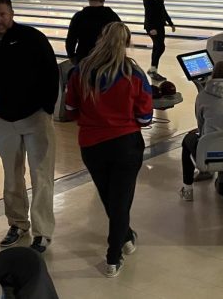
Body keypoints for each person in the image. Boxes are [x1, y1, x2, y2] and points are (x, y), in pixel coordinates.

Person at [65, 23, 153, 277]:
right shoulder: (134, 74)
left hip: (92, 145)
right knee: (121, 201)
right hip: (126, 144)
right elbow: (146, 117)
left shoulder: (80, 71)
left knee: (110, 197)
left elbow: (70, 111)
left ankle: (125, 236)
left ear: (101, 38)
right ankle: (113, 258)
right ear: (127, 43)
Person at [0, 0, 58, 253]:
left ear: (11, 13)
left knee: (41, 174)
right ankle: (18, 223)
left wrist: (47, 108)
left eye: (2, 14)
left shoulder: (32, 37)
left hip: (36, 116)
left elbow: (51, 72)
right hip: (2, 120)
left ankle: (42, 231)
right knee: (12, 175)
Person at [178, 61, 223, 202]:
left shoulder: (202, 96)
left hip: (209, 153)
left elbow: (201, 126)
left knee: (187, 139)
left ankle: (188, 189)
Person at [66, 0, 122, 65]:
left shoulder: (79, 16)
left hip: (84, 60)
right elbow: (123, 37)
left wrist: (72, 56)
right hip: (106, 61)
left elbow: (70, 41)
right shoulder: (112, 16)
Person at [142, 0, 175, 81]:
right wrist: (151, 28)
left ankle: (153, 70)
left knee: (157, 47)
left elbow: (163, 10)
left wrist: (170, 22)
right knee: (160, 47)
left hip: (160, 25)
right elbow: (149, 13)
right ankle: (153, 70)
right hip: (152, 26)